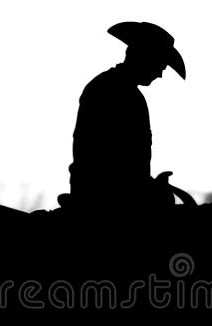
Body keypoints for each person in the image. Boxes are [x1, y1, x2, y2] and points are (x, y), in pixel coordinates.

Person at [62, 21, 187, 217]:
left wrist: (150, 184)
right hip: (106, 200)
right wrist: (150, 187)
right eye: (160, 64)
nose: (161, 74)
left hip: (107, 192)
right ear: (145, 58)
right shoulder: (116, 92)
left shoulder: (109, 87)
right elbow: (112, 161)